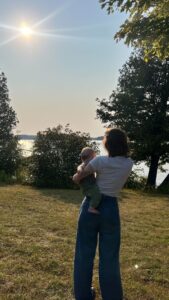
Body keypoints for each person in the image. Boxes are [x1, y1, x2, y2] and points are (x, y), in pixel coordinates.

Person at [73, 128, 133, 300]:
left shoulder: (99, 161)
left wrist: (79, 170)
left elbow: (78, 178)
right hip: (111, 208)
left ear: (107, 143)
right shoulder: (129, 164)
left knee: (84, 253)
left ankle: (83, 295)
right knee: (110, 257)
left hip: (91, 207)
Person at [77, 147, 102, 214]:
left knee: (94, 193)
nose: (95, 158)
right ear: (89, 157)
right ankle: (91, 207)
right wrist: (80, 171)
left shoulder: (89, 164)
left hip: (89, 185)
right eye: (94, 156)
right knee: (97, 194)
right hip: (88, 186)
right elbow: (79, 167)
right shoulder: (85, 164)